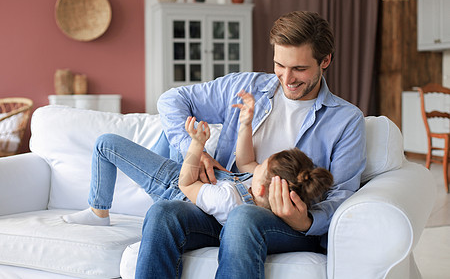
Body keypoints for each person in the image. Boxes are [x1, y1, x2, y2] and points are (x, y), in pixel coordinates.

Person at [135, 10, 366, 279]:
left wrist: (304, 221)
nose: (287, 78)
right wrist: (194, 150)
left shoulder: (346, 120)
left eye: (299, 69)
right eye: (280, 65)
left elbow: (342, 195)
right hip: (226, 203)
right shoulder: (245, 87)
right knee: (163, 212)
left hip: (287, 224)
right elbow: (171, 100)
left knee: (243, 217)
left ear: (325, 60)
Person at [62, 93, 333, 227]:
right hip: (192, 177)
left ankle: (99, 212)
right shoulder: (261, 189)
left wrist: (198, 145)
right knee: (173, 131)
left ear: (262, 187)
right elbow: (245, 160)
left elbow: (185, 183)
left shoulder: (230, 200)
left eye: (261, 167)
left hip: (173, 185)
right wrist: (246, 122)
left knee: (105, 144)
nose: (255, 166)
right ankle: (141, 171)